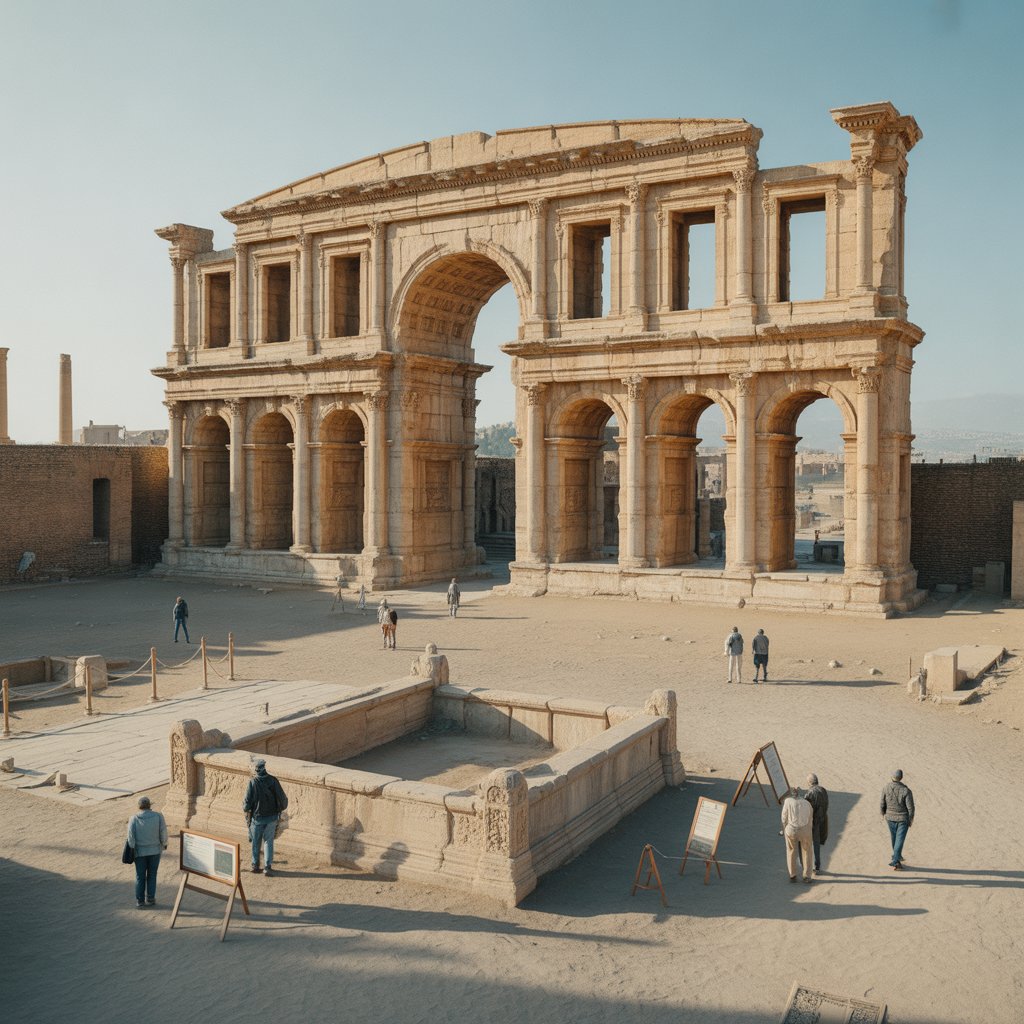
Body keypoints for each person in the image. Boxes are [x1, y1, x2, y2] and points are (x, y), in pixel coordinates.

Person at [243, 758, 288, 876]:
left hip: (257, 819)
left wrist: (246, 811)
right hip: (272, 817)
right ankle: (267, 867)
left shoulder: (252, 782)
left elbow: (247, 802)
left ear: (256, 770)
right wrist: (280, 809)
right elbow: (283, 799)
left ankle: (255, 865)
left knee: (256, 842)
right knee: (269, 842)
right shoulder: (273, 781)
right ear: (264, 768)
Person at [127, 795, 168, 907]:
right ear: (150, 805)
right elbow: (163, 832)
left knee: (140, 876)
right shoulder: (158, 816)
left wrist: (133, 848)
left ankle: (140, 901)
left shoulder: (133, 819)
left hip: (140, 852)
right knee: (152, 875)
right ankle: (150, 898)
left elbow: (130, 838)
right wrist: (164, 844)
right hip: (155, 851)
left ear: (139, 806)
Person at [881, 768, 915, 870]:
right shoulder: (906, 790)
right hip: (902, 819)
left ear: (892, 777)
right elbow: (911, 808)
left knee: (894, 839)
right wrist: (911, 819)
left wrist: (883, 813)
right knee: (899, 840)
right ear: (901, 778)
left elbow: (882, 802)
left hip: (890, 817)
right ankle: (896, 860)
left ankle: (897, 859)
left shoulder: (886, 788)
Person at [781, 786, 813, 883]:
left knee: (791, 851)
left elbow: (784, 817)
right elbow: (810, 818)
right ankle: (807, 876)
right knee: (807, 851)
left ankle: (792, 874)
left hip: (791, 829)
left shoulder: (787, 801)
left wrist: (784, 829)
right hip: (804, 829)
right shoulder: (807, 803)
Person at [804, 773, 829, 874]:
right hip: (822, 819)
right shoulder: (823, 790)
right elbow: (827, 803)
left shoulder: (809, 793)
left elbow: (806, 807)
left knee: (808, 844)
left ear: (809, 782)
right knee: (817, 844)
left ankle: (808, 866)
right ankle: (817, 866)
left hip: (812, 822)